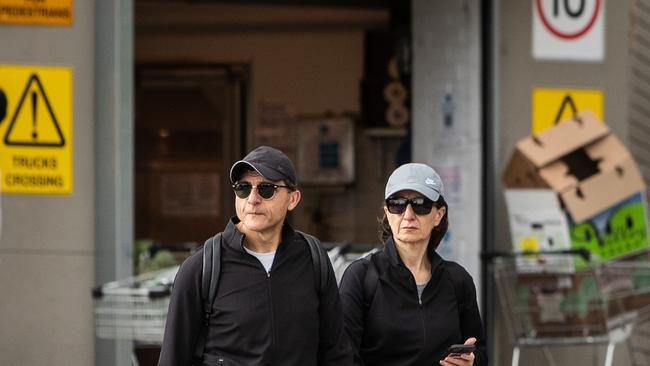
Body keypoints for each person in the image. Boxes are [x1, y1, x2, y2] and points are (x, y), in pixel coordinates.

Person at [158, 145, 352, 366]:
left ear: (293, 199)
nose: (252, 199)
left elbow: (336, 353)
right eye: (243, 188)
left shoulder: (312, 258)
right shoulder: (201, 267)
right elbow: (172, 359)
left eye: (266, 189)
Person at [339, 163, 487, 366]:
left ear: (439, 214)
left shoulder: (457, 280)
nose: (408, 215)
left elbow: (481, 351)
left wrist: (472, 361)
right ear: (387, 213)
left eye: (420, 204)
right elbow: (343, 356)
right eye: (397, 204)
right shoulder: (361, 276)